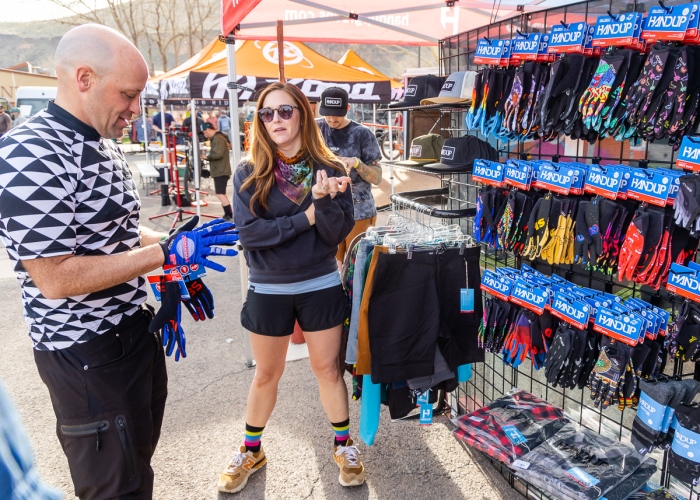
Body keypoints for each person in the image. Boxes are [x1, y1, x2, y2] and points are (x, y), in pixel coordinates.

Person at [0, 24, 239, 500]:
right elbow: (54, 275)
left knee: (137, 473)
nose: (136, 108)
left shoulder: (102, 143)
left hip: (132, 337)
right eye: (129, 95)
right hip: (85, 355)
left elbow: (120, 235)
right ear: (84, 78)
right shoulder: (29, 152)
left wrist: (176, 258)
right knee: (115, 490)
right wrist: (161, 254)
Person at [221, 82, 361, 494]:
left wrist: (326, 202)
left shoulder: (330, 168)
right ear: (259, 121)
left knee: (327, 370)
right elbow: (250, 235)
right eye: (267, 113)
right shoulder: (249, 171)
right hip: (268, 288)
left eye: (285, 111)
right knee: (267, 373)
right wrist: (306, 217)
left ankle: (343, 445)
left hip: (319, 283)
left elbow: (337, 232)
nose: (276, 120)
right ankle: (251, 450)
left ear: (301, 113)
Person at [316, 87, 383, 266]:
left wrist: (356, 163)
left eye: (336, 114)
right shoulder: (314, 129)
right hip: (326, 211)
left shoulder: (362, 134)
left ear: (347, 109)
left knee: (357, 268)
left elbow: (377, 177)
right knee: (330, 267)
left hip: (359, 212)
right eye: (326, 114)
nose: (331, 119)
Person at [200, 122, 232, 220]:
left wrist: (206, 157)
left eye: (205, 133)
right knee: (221, 193)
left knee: (220, 193)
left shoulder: (218, 138)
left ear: (208, 130)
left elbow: (218, 154)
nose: (205, 135)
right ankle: (228, 214)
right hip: (221, 170)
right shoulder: (218, 138)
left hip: (221, 170)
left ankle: (229, 214)